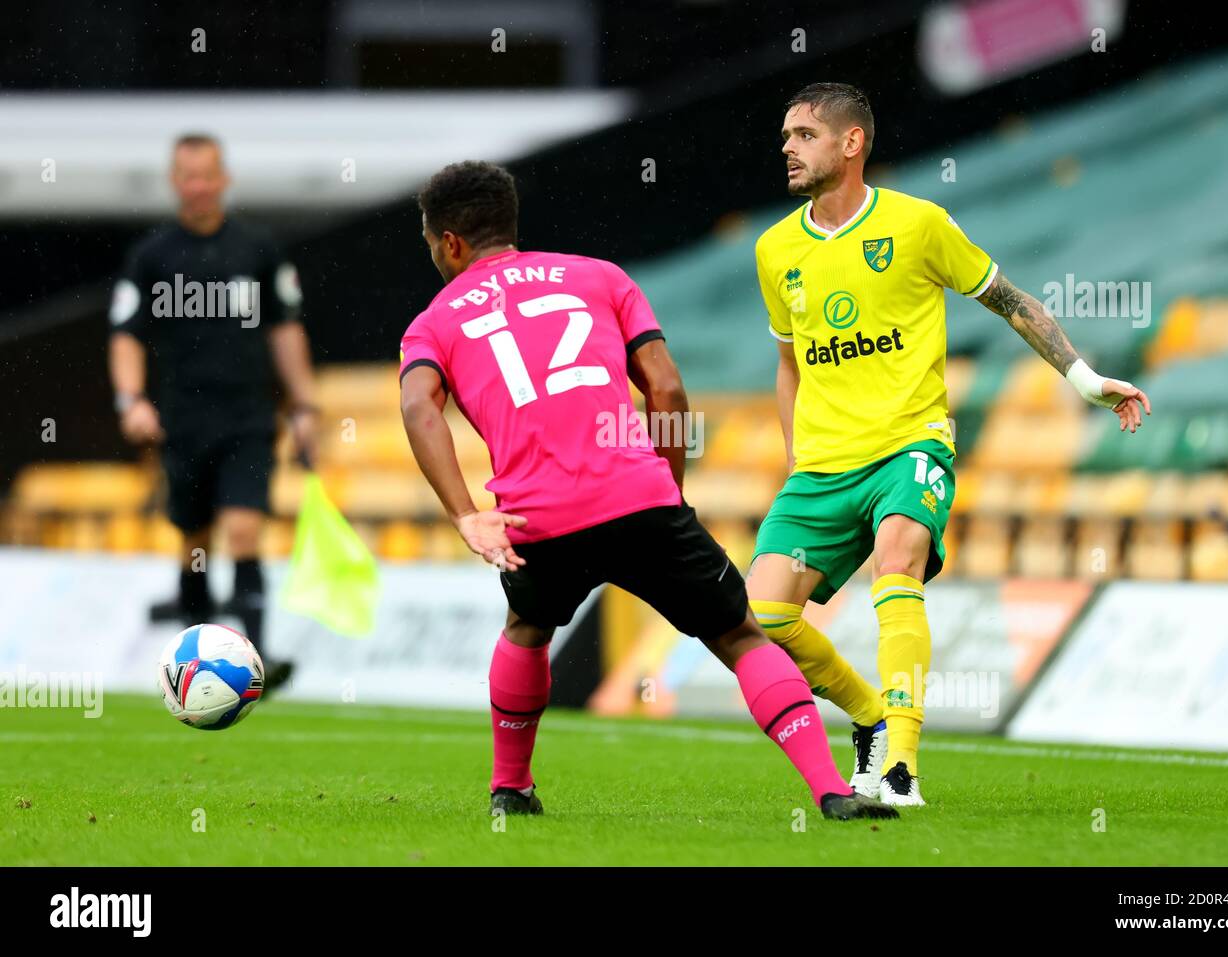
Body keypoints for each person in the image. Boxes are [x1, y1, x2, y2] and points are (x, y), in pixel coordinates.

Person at [398, 160, 898, 821]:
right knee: (741, 634)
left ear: (451, 242)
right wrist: (667, 486)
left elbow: (417, 408)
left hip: (537, 516)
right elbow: (666, 387)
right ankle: (831, 789)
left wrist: (466, 515)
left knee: (526, 627)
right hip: (638, 497)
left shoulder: (433, 321)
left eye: (431, 242)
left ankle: (510, 787)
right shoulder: (600, 277)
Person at [747, 83, 1152, 806]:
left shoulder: (918, 223)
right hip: (823, 463)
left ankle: (900, 763)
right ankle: (870, 716)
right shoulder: (775, 250)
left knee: (897, 559)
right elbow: (789, 363)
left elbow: (1010, 300)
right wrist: (794, 457)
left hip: (911, 443)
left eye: (804, 134)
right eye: (785, 135)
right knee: (763, 618)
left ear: (851, 143)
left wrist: (1086, 380)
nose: (787, 146)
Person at [107, 133, 319, 692]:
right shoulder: (152, 256)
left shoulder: (258, 249)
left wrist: (304, 404)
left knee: (245, 531)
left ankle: (258, 656)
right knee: (194, 542)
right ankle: (195, 661)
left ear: (224, 178)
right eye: (188, 176)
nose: (198, 185)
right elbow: (125, 335)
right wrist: (130, 400)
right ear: (175, 181)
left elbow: (286, 329)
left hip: (249, 419)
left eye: (207, 175)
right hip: (183, 422)